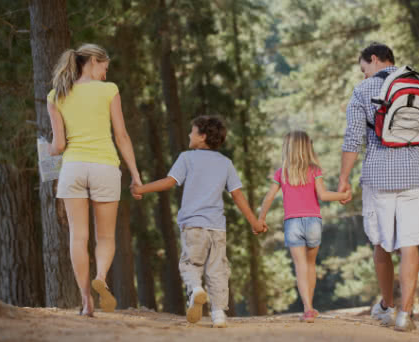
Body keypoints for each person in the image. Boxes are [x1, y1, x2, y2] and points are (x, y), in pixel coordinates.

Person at [131, 115, 265, 328]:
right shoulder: (226, 163)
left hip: (193, 225)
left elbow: (169, 182)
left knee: (191, 263)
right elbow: (237, 195)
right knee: (217, 269)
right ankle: (219, 313)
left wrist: (141, 189)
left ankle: (195, 289)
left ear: (202, 137)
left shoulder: (186, 158)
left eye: (192, 132)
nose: (188, 135)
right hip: (217, 228)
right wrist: (254, 222)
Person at [337, 42, 419, 332]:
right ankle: (406, 314)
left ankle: (387, 306)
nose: (364, 74)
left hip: (378, 176)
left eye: (363, 68)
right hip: (415, 175)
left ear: (375, 59)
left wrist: (344, 178)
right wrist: (417, 161)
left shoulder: (363, 90)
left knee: (381, 242)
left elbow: (353, 138)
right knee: (410, 243)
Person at [47, 43, 142, 317]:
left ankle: (86, 300)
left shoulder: (56, 95)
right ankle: (101, 276)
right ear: (92, 61)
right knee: (105, 236)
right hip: (104, 166)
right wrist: (135, 174)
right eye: (104, 67)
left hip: (73, 168)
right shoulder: (109, 90)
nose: (105, 73)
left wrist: (48, 150)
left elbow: (59, 145)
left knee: (78, 237)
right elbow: (121, 135)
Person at [257, 131, 351, 323]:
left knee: (300, 266)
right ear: (308, 148)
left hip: (292, 223)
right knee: (310, 265)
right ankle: (311, 307)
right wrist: (343, 196)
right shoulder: (314, 170)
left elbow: (268, 197)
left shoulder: (281, 173)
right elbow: (323, 196)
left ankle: (307, 309)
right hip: (313, 222)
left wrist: (261, 219)